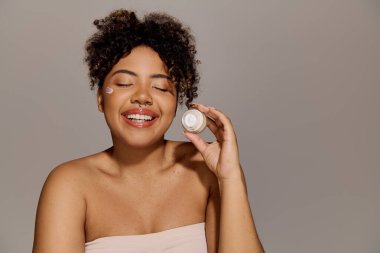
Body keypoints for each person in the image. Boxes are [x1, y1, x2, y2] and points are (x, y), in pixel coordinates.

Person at [32, 9, 265, 253]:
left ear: (176, 105)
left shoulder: (206, 171)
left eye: (161, 87)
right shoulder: (69, 184)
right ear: (101, 99)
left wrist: (230, 177)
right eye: (124, 83)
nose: (143, 97)